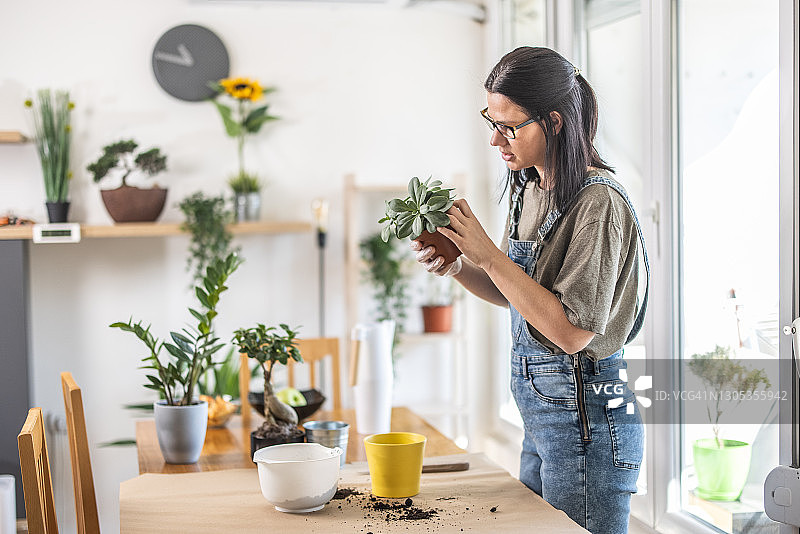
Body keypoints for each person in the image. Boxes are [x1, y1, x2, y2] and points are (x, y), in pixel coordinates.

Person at [411, 46, 649, 534]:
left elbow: (571, 332)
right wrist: (459, 264)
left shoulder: (597, 202)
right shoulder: (530, 186)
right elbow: (513, 293)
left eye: (510, 126)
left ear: (555, 122)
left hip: (587, 424)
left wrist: (488, 255)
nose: (496, 140)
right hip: (543, 420)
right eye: (491, 121)